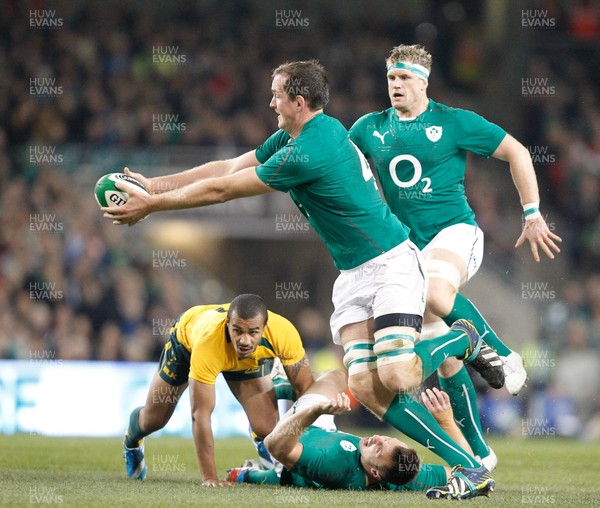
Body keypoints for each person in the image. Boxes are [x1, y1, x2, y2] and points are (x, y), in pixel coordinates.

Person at [104, 60, 502, 495]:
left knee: (398, 376)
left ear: (298, 101)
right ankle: (470, 466)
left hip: (392, 263)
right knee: (367, 387)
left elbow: (224, 190)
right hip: (353, 275)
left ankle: (464, 337)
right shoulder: (298, 135)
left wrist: (150, 208)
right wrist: (155, 186)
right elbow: (227, 167)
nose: (270, 101)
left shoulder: (309, 151)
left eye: (276, 94)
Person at [349, 44, 562, 467]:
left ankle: (500, 352)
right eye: (391, 77)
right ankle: (480, 454)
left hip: (456, 233)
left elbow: (517, 152)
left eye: (404, 77)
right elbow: (340, 165)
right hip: (406, 252)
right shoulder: (368, 128)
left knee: (434, 293)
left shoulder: (453, 122)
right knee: (443, 355)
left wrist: (533, 213)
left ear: (423, 81)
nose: (395, 84)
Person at [122, 293, 314, 486]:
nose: (244, 340)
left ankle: (260, 436)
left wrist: (312, 444)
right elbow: (200, 414)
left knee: (266, 427)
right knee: (154, 420)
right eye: (237, 331)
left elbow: (305, 389)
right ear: (227, 323)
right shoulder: (209, 342)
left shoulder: (284, 332)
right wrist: (210, 477)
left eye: (253, 332)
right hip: (186, 345)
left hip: (244, 360)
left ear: (265, 328)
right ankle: (132, 441)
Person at [226, 369, 493, 500]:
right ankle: (296, 390)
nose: (377, 439)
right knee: (342, 376)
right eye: (386, 440)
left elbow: (277, 447)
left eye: (378, 449)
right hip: (323, 429)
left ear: (375, 474)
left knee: (332, 378)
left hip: (286, 437)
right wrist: (446, 422)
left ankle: (284, 390)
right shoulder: (406, 473)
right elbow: (470, 470)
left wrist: (316, 411)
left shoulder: (336, 465)